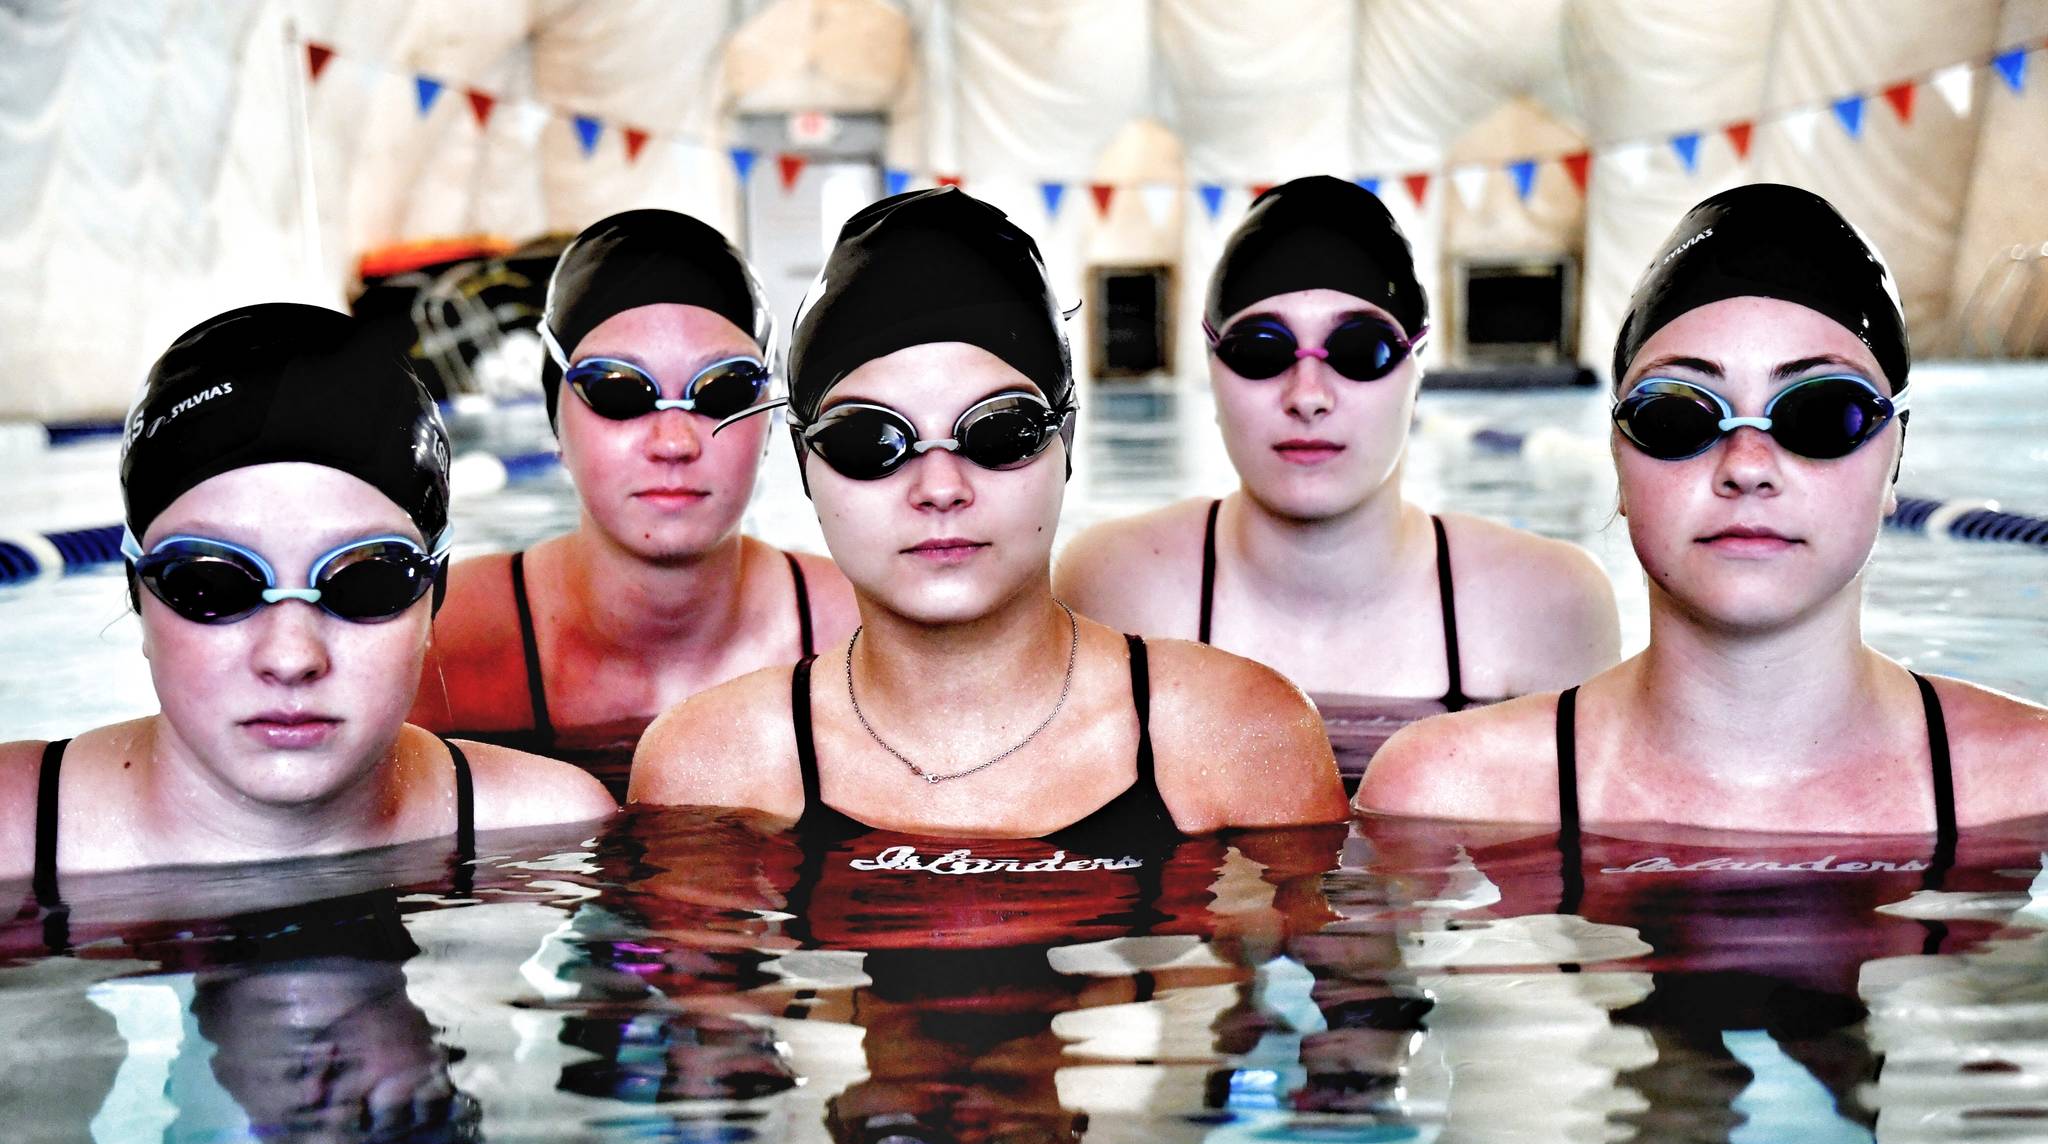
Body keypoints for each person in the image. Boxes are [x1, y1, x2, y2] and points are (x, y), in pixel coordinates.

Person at [631, 188, 1347, 840]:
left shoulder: (1243, 735)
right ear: (804, 465)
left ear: (1066, 442)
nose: (940, 487)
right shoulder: (706, 769)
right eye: (869, 438)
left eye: (1000, 431)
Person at [1360, 183, 2048, 836]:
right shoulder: (1446, 794)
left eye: (1821, 413)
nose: (1747, 466)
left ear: (1895, 458)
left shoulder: (2028, 782)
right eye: (1676, 416)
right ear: (1619, 463)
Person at [0, 304, 613, 900]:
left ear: (436, 593)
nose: (291, 657)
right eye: (211, 583)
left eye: (367, 579)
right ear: (137, 588)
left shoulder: (556, 835)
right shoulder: (11, 838)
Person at [1056, 176, 1619, 745]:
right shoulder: (1115, 585)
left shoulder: (1544, 603)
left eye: (1360, 351)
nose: (1307, 396)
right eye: (1261, 350)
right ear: (1213, 370)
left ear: (1416, 369)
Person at [411, 210, 858, 789]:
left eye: (722, 390)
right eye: (618, 391)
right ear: (555, 423)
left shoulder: (855, 632)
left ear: (769, 422)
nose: (673, 441)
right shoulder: (442, 643)